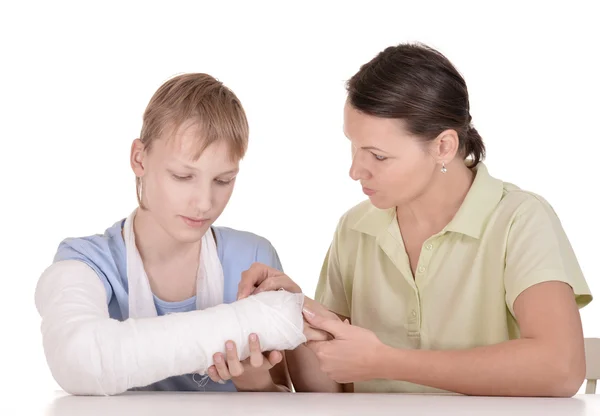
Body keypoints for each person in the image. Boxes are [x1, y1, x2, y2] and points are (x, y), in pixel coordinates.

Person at [236, 43, 593, 397]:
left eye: (378, 155)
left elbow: (560, 368)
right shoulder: (355, 229)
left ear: (443, 147)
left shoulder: (519, 220)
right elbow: (334, 388)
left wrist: (387, 362)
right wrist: (298, 314)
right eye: (354, 146)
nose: (355, 170)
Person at [34, 73, 318, 396]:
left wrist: (254, 383)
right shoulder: (88, 264)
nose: (204, 203)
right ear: (139, 159)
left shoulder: (253, 259)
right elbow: (80, 360)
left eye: (223, 181)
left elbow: (283, 396)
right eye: (183, 176)